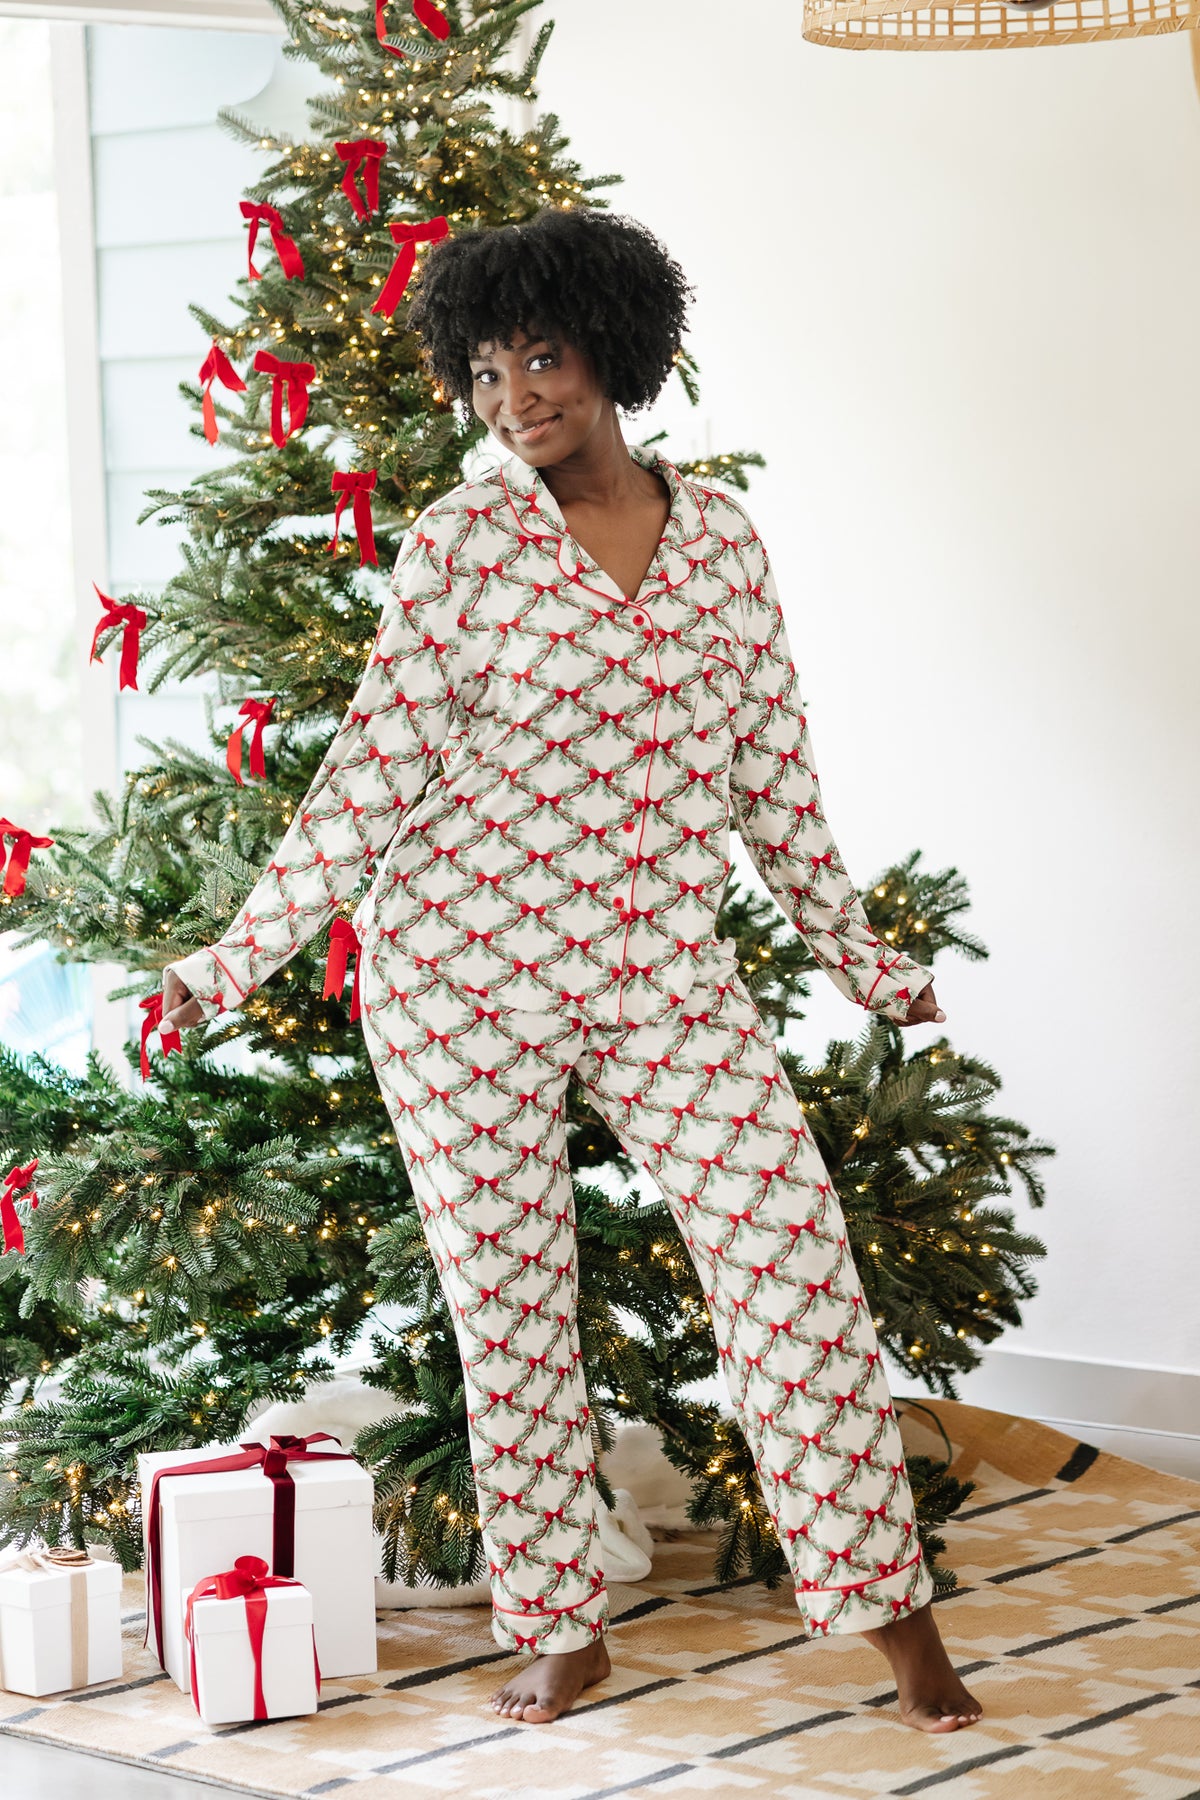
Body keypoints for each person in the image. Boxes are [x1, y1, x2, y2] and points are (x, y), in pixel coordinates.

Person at [162, 207, 981, 1732]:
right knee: (510, 1307)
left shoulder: (724, 538)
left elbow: (773, 779)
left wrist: (859, 955)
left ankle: (894, 1620)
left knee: (792, 1272)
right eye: (484, 371)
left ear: (611, 347)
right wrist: (228, 961)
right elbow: (368, 776)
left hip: (663, 967)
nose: (515, 397)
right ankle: (561, 1625)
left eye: (539, 357)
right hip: (459, 967)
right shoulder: (464, 543)